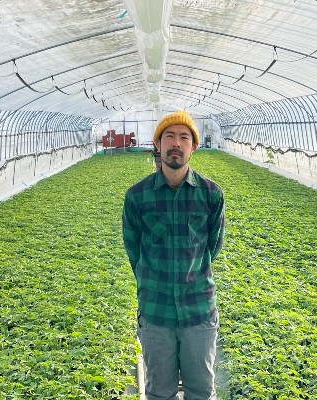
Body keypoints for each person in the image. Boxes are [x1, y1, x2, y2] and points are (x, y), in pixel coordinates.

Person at [122, 109, 225, 400]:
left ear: (194, 146)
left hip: (198, 312)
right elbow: (134, 249)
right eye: (169, 136)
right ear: (158, 144)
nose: (176, 143)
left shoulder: (211, 194)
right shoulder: (137, 196)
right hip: (156, 313)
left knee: (201, 392)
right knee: (159, 392)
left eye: (184, 137)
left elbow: (213, 246)